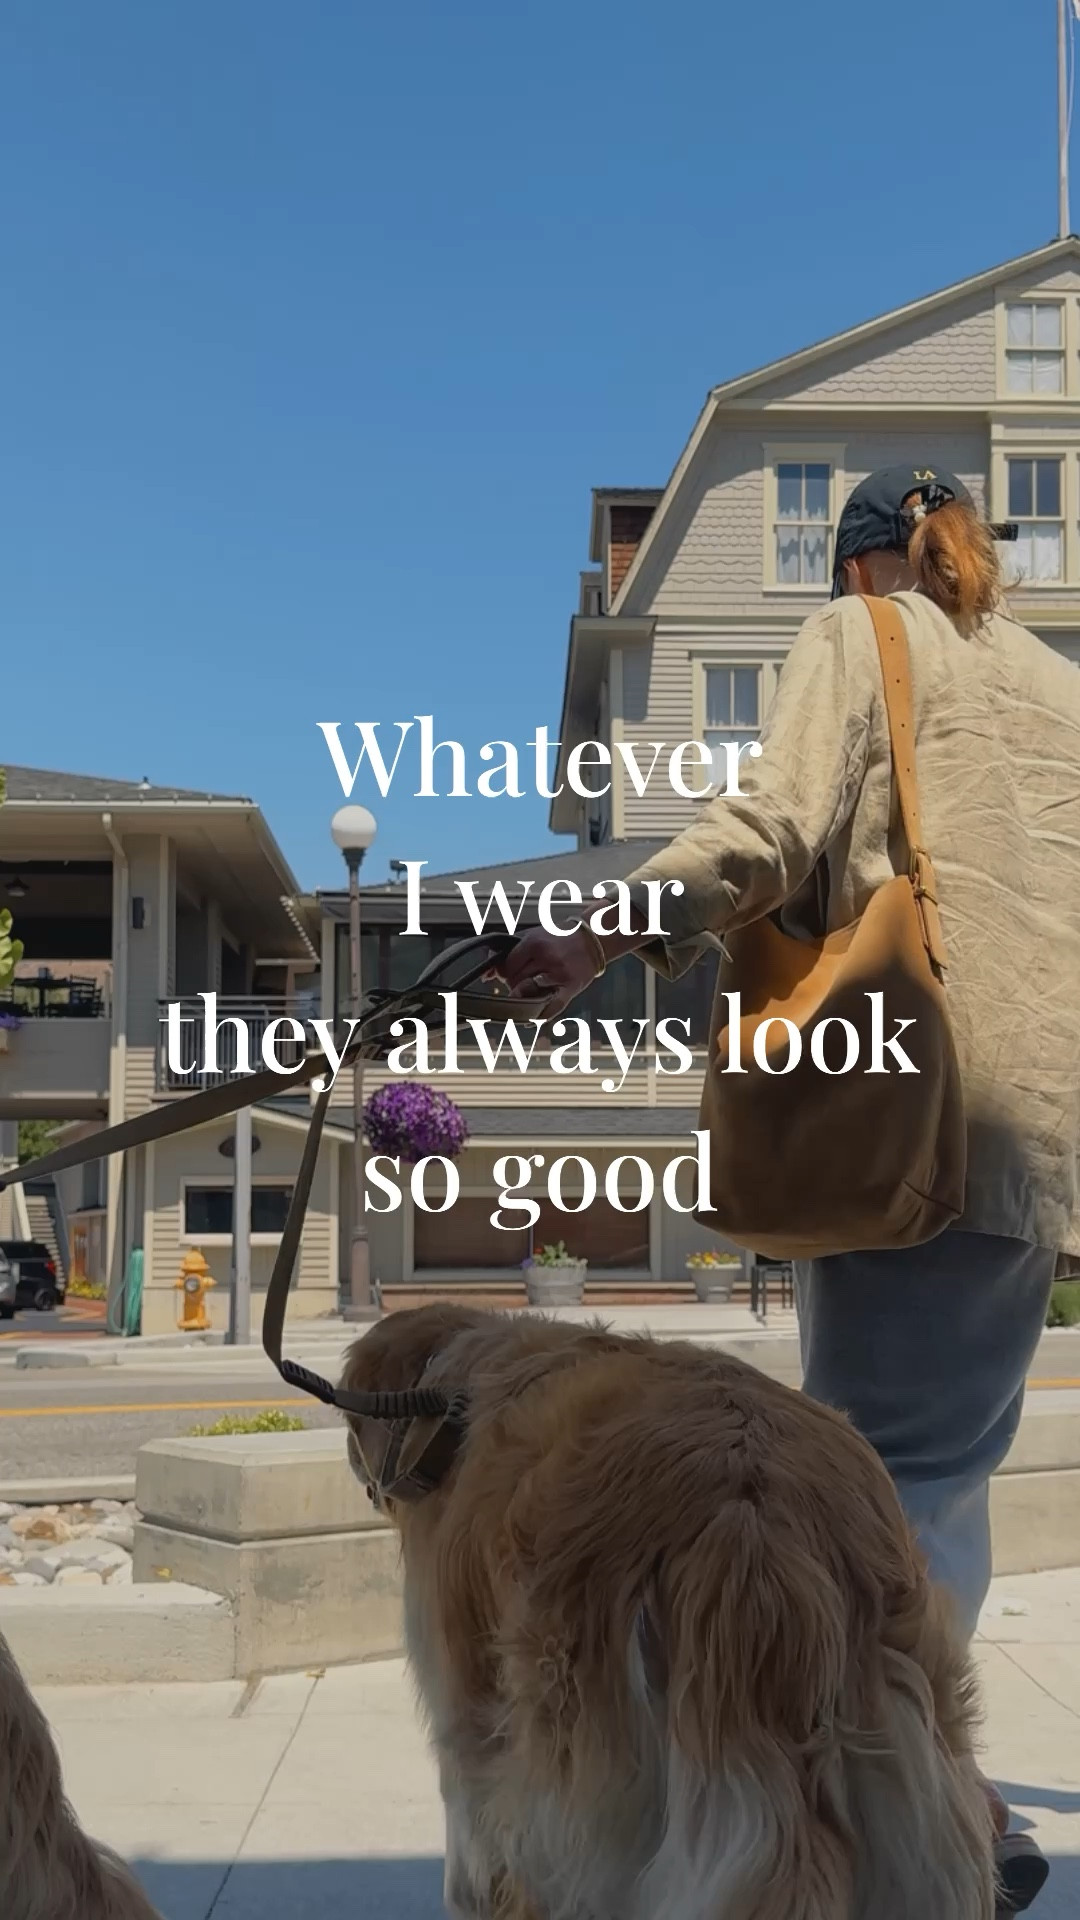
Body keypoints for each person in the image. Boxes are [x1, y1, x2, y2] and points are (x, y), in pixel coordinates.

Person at [497, 465, 1080, 1912]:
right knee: (943, 1474)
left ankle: (935, 1812)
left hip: (906, 1119)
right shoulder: (1057, 690)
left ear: (862, 563)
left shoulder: (860, 635)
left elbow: (768, 828)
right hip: (1035, 1147)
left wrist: (602, 927)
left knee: (885, 1490)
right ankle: (938, 1787)